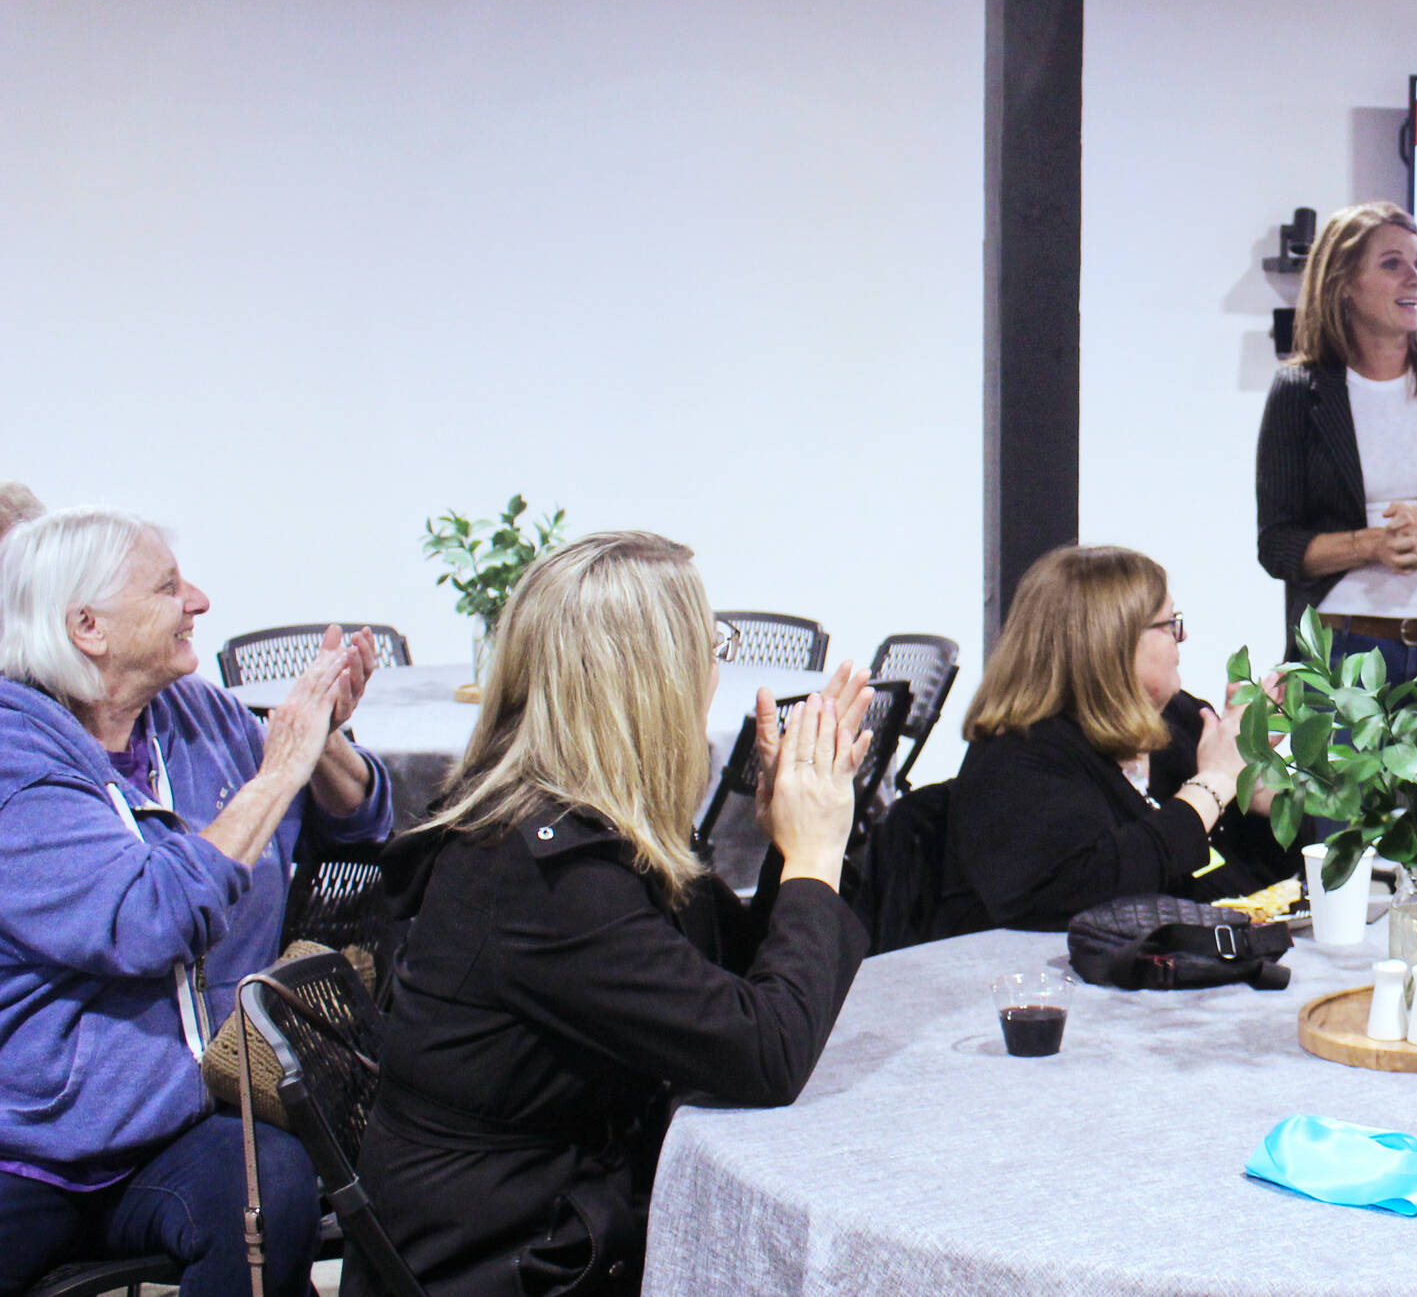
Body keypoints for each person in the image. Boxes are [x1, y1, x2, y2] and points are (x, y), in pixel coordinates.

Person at [354, 532, 870, 1297]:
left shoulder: (570, 824)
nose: (716, 666)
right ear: (652, 676)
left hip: (547, 1220)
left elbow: (739, 980)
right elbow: (767, 1055)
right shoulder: (542, 880)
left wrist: (787, 843)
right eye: (708, 640)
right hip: (506, 1260)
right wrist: (815, 857)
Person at [0, 507, 394, 1297]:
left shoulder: (200, 716)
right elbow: (147, 920)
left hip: (180, 1128)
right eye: (169, 587)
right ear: (88, 627)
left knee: (269, 1188)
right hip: (28, 1147)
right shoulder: (17, 763)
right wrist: (280, 769)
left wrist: (326, 746)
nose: (201, 602)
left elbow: (358, 839)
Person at [933, 544, 1293, 938]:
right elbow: (1092, 900)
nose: (1183, 636)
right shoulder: (1016, 761)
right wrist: (1216, 782)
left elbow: (1256, 882)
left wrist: (1256, 791)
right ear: (1110, 643)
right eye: (1169, 623)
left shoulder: (1179, 718)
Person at [1255, 201, 1417, 684]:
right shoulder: (1299, 391)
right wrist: (1371, 545)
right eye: (1392, 264)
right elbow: (1278, 545)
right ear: (1344, 284)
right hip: (1342, 651)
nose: (1414, 279)